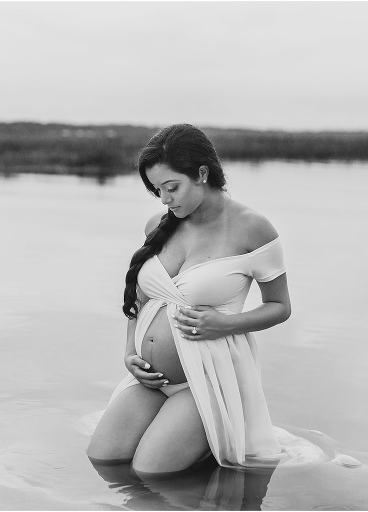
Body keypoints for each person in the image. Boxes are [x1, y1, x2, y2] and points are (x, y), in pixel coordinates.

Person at [87, 124, 292, 476]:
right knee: (103, 460)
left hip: (205, 382)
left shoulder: (253, 229)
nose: (166, 200)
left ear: (201, 174)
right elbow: (141, 298)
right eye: (157, 191)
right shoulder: (159, 224)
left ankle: (208, 448)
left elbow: (280, 307)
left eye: (172, 188)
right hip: (151, 380)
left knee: (150, 473)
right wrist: (129, 353)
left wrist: (225, 323)